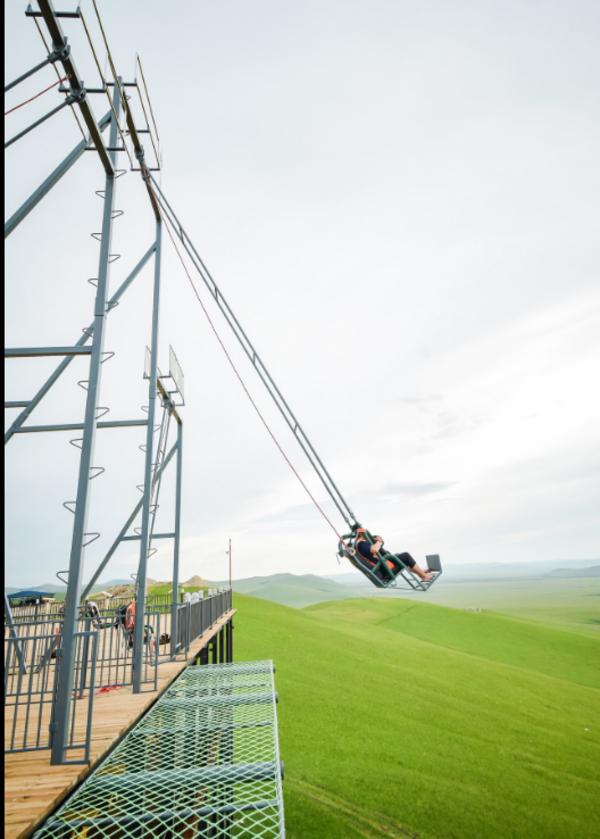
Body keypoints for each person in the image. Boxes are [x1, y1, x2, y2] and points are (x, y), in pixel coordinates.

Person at [354, 528, 434, 582]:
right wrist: (379, 542)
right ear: (361, 534)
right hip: (386, 570)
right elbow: (374, 549)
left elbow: (374, 551)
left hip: (384, 567)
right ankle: (424, 576)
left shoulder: (362, 544)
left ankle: (421, 573)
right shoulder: (361, 544)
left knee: (399, 557)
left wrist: (378, 540)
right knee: (406, 556)